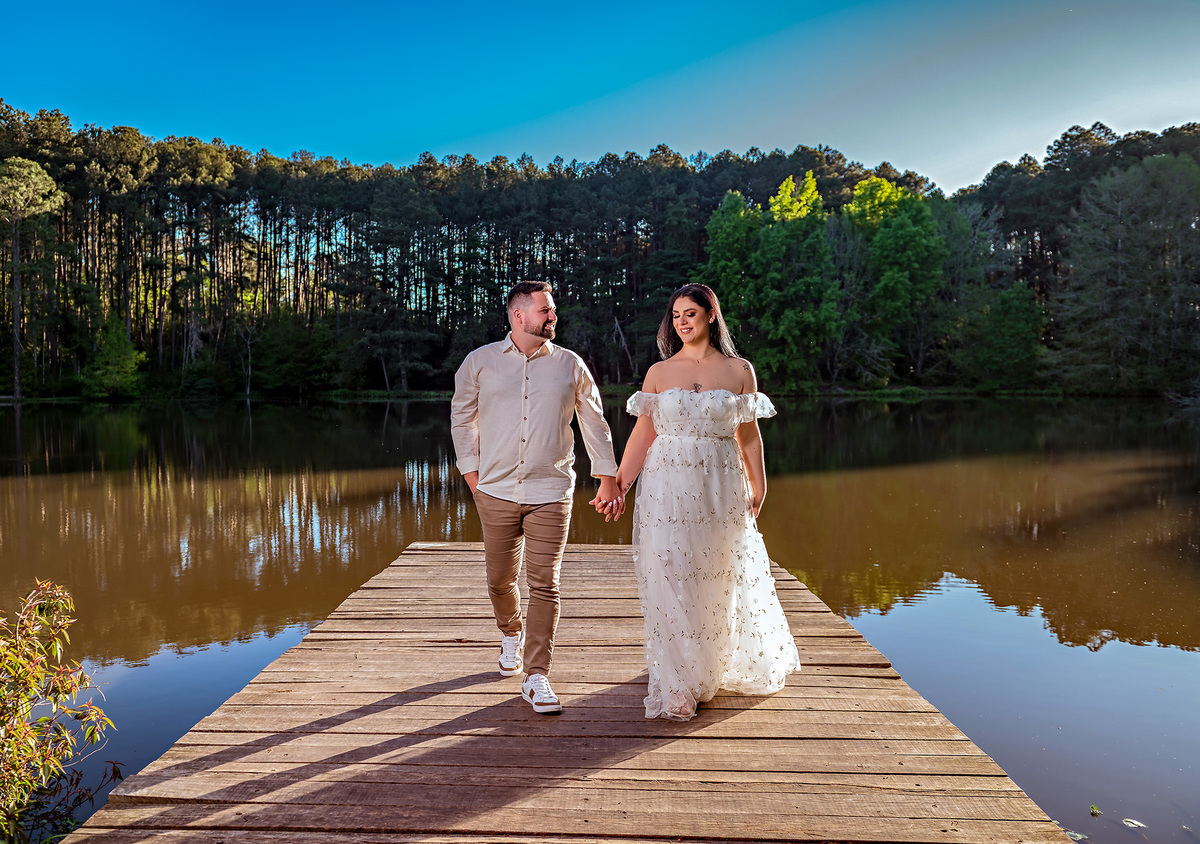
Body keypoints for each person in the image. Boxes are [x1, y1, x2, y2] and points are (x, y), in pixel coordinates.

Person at [602, 283, 800, 720]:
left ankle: (710, 665)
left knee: (716, 573)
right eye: (675, 316)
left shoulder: (739, 370)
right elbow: (643, 434)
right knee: (670, 570)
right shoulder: (659, 372)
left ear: (711, 314)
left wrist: (759, 484)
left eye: (690, 313)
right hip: (666, 484)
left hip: (719, 483)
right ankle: (678, 682)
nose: (682, 322)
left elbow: (747, 435)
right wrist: (619, 482)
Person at [451, 281, 622, 715]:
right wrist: (472, 474)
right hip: (494, 490)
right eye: (545, 310)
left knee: (545, 583)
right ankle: (511, 632)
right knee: (499, 580)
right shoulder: (480, 363)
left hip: (551, 490)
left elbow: (595, 423)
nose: (553, 317)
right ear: (518, 316)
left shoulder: (570, 365)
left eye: (553, 310)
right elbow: (460, 418)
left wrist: (607, 476)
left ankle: (536, 675)